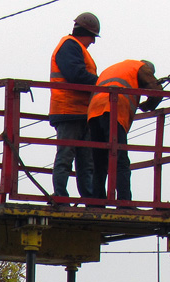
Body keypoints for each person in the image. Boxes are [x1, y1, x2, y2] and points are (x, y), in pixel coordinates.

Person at [87, 59, 164, 203]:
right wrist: (148, 105)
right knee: (120, 159)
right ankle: (124, 201)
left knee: (99, 161)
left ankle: (96, 202)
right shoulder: (141, 67)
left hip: (94, 113)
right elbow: (157, 92)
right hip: (113, 110)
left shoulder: (115, 68)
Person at [48, 12, 100, 202]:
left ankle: (89, 198)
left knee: (86, 160)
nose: (93, 42)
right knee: (66, 156)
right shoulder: (69, 46)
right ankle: (60, 195)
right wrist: (101, 83)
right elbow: (75, 75)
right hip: (67, 110)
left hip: (81, 112)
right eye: (92, 37)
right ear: (85, 33)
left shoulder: (76, 48)